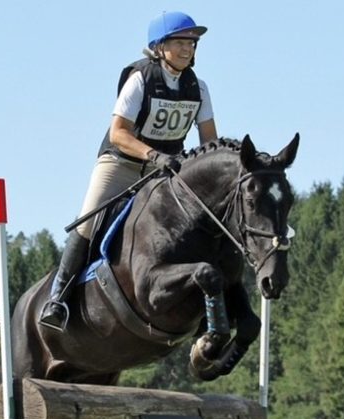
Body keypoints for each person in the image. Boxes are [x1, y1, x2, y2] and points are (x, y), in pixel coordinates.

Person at [39, 11, 218, 331]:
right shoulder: (141, 78)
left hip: (164, 170)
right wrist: (153, 154)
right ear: (159, 47)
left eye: (191, 43)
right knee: (89, 217)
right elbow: (119, 132)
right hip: (121, 164)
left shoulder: (199, 88)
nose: (187, 49)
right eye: (179, 42)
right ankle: (59, 297)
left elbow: (209, 142)